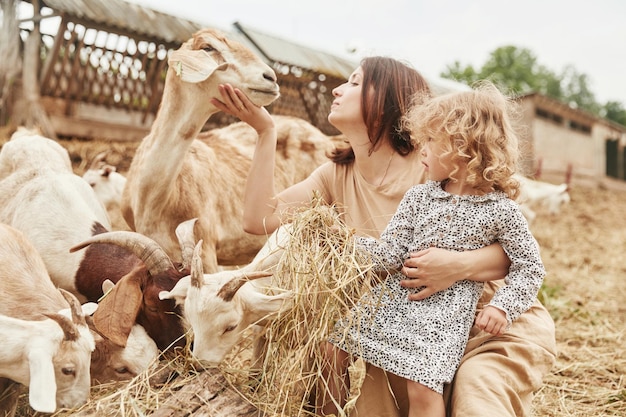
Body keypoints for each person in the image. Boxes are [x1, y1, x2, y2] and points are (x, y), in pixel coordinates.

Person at [211, 56, 556, 417]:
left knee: (474, 396)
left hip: (493, 321)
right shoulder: (336, 175)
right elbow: (258, 219)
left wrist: (455, 266)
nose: (337, 88)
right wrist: (265, 132)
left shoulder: (441, 169)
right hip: (411, 322)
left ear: (389, 100)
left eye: (356, 82)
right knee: (364, 381)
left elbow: (516, 259)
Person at [322, 83, 546, 417]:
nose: (420, 148)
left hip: (443, 318)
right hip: (392, 300)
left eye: (430, 140)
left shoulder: (502, 210)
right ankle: (326, 412)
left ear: (462, 146)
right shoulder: (418, 196)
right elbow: (391, 253)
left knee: (423, 390)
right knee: (332, 349)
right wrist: (344, 246)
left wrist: (502, 308)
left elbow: (530, 267)